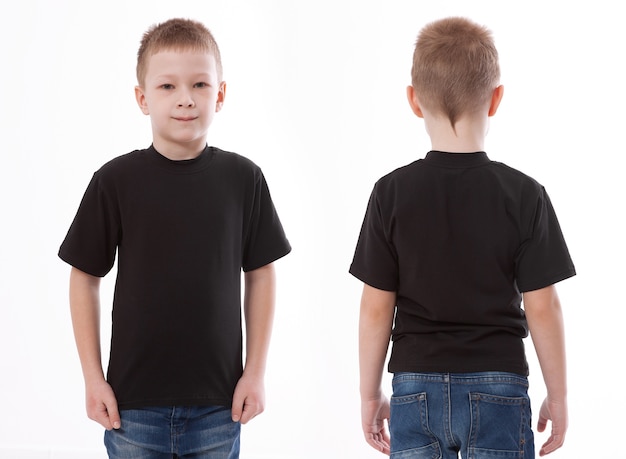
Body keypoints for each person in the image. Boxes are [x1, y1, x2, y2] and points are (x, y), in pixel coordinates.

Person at [59, 18, 291, 458]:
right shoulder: (115, 181)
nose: (185, 99)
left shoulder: (244, 179)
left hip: (219, 407)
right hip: (131, 408)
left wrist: (255, 373)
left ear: (220, 94)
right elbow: (84, 276)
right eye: (167, 87)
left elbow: (261, 274)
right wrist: (93, 378)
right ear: (142, 98)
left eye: (200, 84)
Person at [350, 17, 575, 458]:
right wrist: (559, 396)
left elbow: (376, 308)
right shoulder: (525, 195)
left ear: (414, 101)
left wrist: (369, 395)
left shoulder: (390, 193)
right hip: (500, 386)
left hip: (414, 389)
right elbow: (543, 306)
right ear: (496, 100)